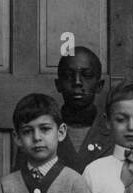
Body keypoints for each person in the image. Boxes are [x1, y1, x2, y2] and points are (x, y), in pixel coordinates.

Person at [29, 46, 112, 174]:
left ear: (99, 85)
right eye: (68, 76)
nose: (77, 82)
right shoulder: (37, 133)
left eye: (87, 75)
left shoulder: (115, 133)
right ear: (58, 85)